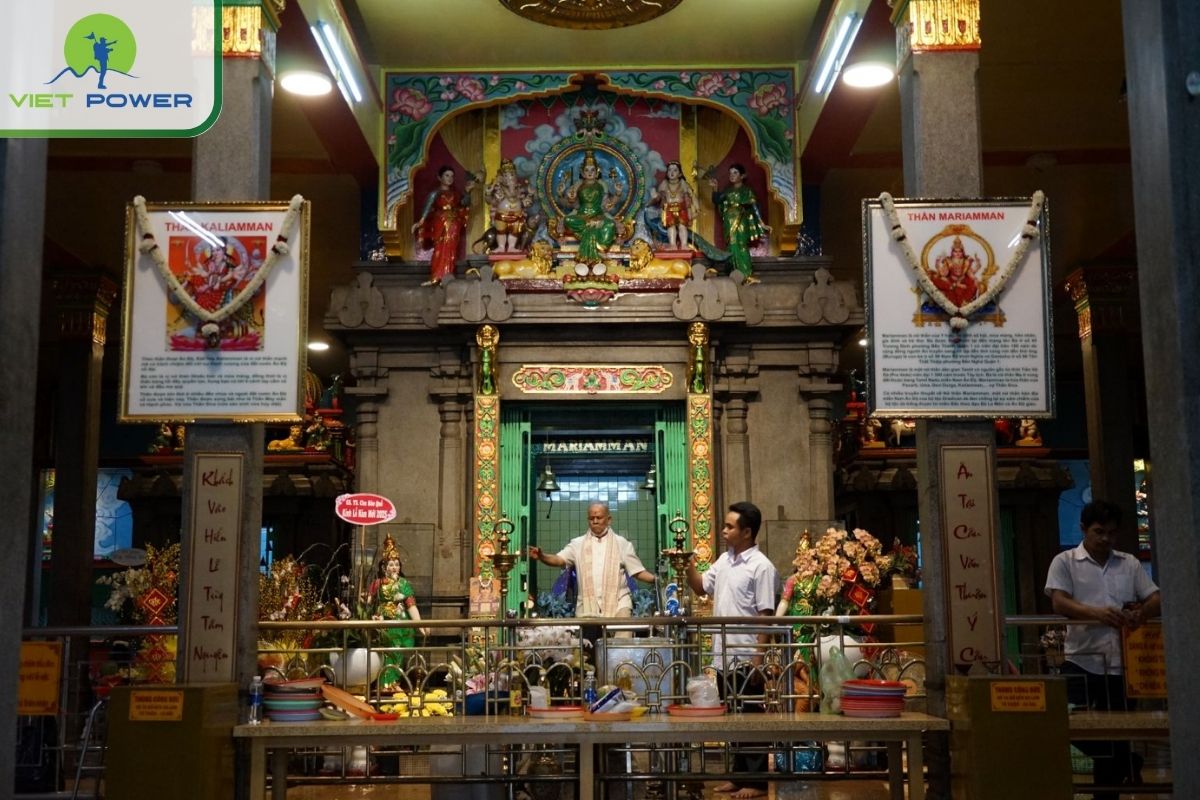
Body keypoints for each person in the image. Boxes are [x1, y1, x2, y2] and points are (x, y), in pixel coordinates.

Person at [1045, 500, 1161, 799]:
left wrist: (1141, 614)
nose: (1106, 539)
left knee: (1115, 732)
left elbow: (1155, 597)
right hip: (1081, 658)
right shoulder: (1066, 561)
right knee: (1066, 720)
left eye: (1111, 533)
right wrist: (1096, 614)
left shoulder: (1129, 563)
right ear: (1084, 529)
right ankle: (1128, 759)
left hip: (1121, 662)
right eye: (1099, 532)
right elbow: (1059, 601)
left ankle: (1108, 789)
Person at [686, 501, 779, 799]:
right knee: (732, 715)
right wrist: (685, 563)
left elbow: (766, 614)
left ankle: (756, 781)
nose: (724, 531)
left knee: (751, 715)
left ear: (747, 531)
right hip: (724, 653)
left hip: (747, 651)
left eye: (729, 526)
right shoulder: (724, 560)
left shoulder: (761, 566)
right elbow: (701, 587)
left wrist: (758, 657)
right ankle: (738, 777)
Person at [528, 502, 656, 636]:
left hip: (619, 604)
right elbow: (559, 559)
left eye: (599, 518)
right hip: (587, 608)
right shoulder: (577, 544)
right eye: (591, 518)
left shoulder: (622, 543)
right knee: (588, 649)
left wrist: (656, 580)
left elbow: (637, 571)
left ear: (609, 519)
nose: (595, 521)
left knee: (621, 646)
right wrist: (542, 556)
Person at [367, 534, 426, 676]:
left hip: (400, 621)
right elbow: (368, 604)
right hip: (383, 622)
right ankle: (386, 683)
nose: (395, 568)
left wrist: (419, 624)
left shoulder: (403, 583)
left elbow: (411, 605)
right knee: (386, 652)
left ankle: (396, 681)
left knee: (399, 652)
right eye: (391, 565)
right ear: (384, 567)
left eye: (397, 564)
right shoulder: (377, 583)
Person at [412, 165, 476, 284]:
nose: (450, 178)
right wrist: (420, 222)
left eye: (452, 176)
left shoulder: (455, 194)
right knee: (440, 249)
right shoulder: (435, 193)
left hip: (454, 224)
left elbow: (463, 204)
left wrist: (468, 192)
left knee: (451, 250)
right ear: (439, 177)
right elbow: (427, 208)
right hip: (440, 223)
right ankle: (436, 276)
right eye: (447, 175)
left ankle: (448, 276)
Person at [708, 164, 769, 284]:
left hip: (741, 220)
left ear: (743, 175)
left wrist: (762, 223)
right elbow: (717, 201)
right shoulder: (727, 190)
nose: (732, 175)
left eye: (735, 173)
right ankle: (733, 273)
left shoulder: (747, 190)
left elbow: (754, 206)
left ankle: (746, 274)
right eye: (730, 173)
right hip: (728, 221)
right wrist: (715, 188)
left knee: (741, 245)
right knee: (731, 246)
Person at [559, 151, 619, 264]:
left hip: (598, 216)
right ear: (582, 172)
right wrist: (562, 195)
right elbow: (572, 205)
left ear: (597, 172)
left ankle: (600, 248)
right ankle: (594, 243)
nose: (590, 173)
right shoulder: (578, 185)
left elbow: (607, 206)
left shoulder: (602, 185)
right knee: (568, 220)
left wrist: (618, 194)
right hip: (582, 217)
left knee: (610, 224)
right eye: (587, 170)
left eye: (592, 170)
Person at [484, 158, 534, 254]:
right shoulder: (499, 189)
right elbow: (491, 201)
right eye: (506, 175)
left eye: (512, 175)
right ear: (502, 177)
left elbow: (526, 203)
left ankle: (511, 247)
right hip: (502, 214)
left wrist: (530, 195)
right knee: (501, 231)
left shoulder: (519, 189)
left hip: (516, 214)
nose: (510, 178)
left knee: (514, 232)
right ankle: (501, 247)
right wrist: (488, 193)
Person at [650, 160, 697, 250]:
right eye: (670, 170)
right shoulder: (664, 183)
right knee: (671, 227)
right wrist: (655, 195)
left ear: (680, 174)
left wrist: (691, 207)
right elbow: (659, 197)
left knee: (682, 226)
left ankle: (684, 244)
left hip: (681, 208)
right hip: (669, 208)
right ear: (667, 173)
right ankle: (672, 244)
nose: (672, 172)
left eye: (675, 170)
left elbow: (689, 194)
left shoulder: (682, 183)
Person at [927, 235, 981, 306]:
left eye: (960, 252)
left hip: (963, 281)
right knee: (936, 280)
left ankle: (964, 302)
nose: (958, 254)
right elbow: (943, 274)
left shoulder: (966, 261)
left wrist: (977, 264)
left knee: (975, 282)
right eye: (955, 252)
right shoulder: (948, 261)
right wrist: (937, 262)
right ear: (952, 252)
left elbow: (970, 274)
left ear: (963, 252)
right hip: (951, 282)